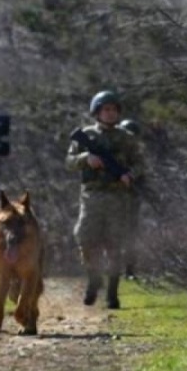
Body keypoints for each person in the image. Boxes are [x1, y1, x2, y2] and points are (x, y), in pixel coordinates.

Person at [65, 91, 144, 309]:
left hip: (118, 197)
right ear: (97, 112)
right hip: (91, 196)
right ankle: (93, 277)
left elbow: (140, 163)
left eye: (113, 110)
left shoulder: (127, 138)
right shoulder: (86, 135)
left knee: (115, 245)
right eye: (105, 109)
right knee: (85, 237)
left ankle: (112, 292)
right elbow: (69, 161)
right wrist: (85, 158)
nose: (110, 114)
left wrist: (130, 175)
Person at [118, 118, 145, 279]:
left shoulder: (137, 156)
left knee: (130, 235)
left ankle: (129, 270)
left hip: (131, 199)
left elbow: (141, 174)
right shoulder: (114, 151)